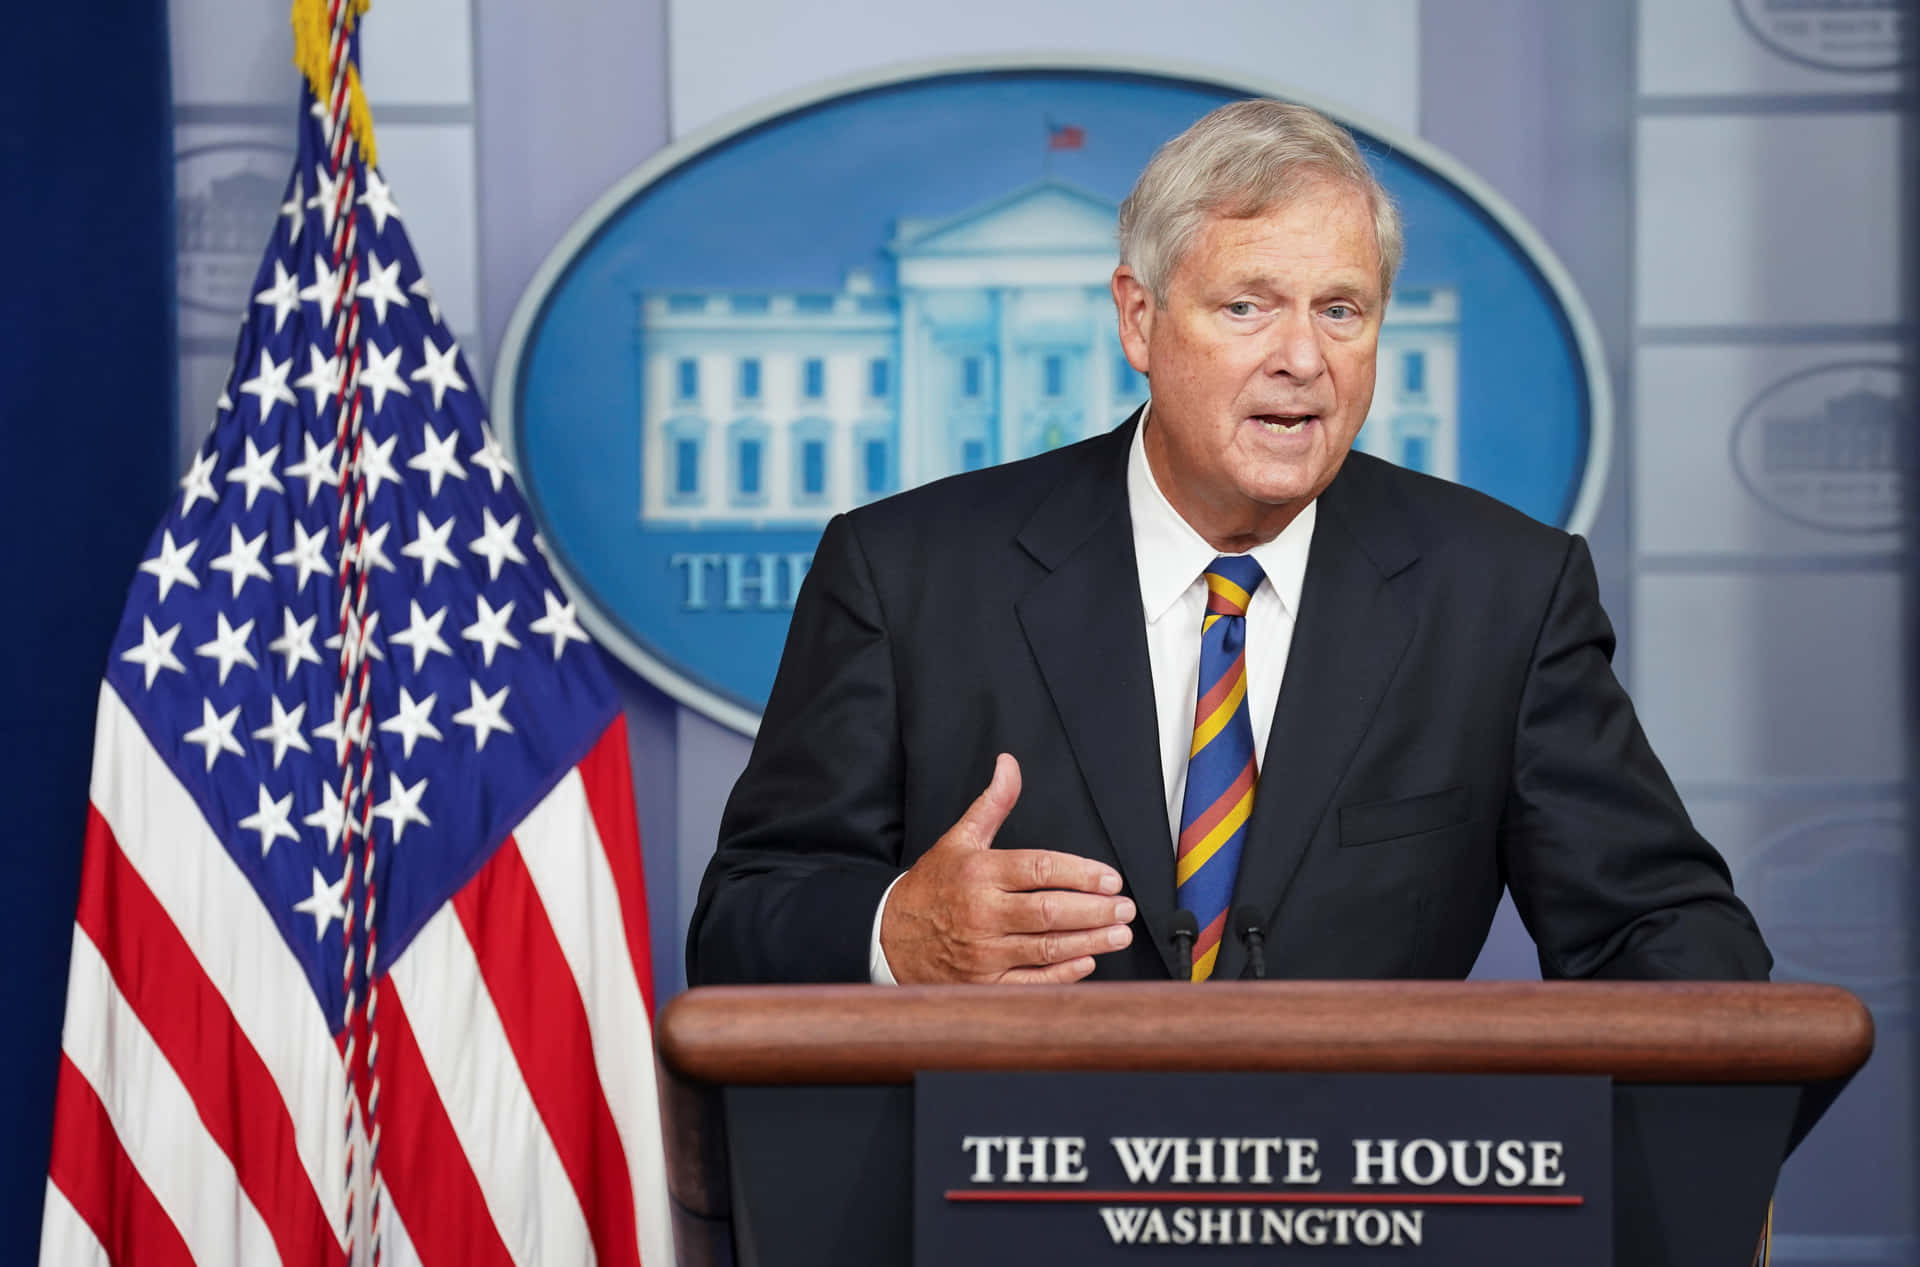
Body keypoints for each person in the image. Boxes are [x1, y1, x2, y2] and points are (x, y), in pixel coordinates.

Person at [685, 99, 1769, 988]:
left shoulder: (1505, 594)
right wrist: (897, 934)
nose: (1303, 357)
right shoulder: (907, 573)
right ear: (1140, 323)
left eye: (1342, 310)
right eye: (1248, 305)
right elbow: (746, 920)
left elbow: (1669, 935)